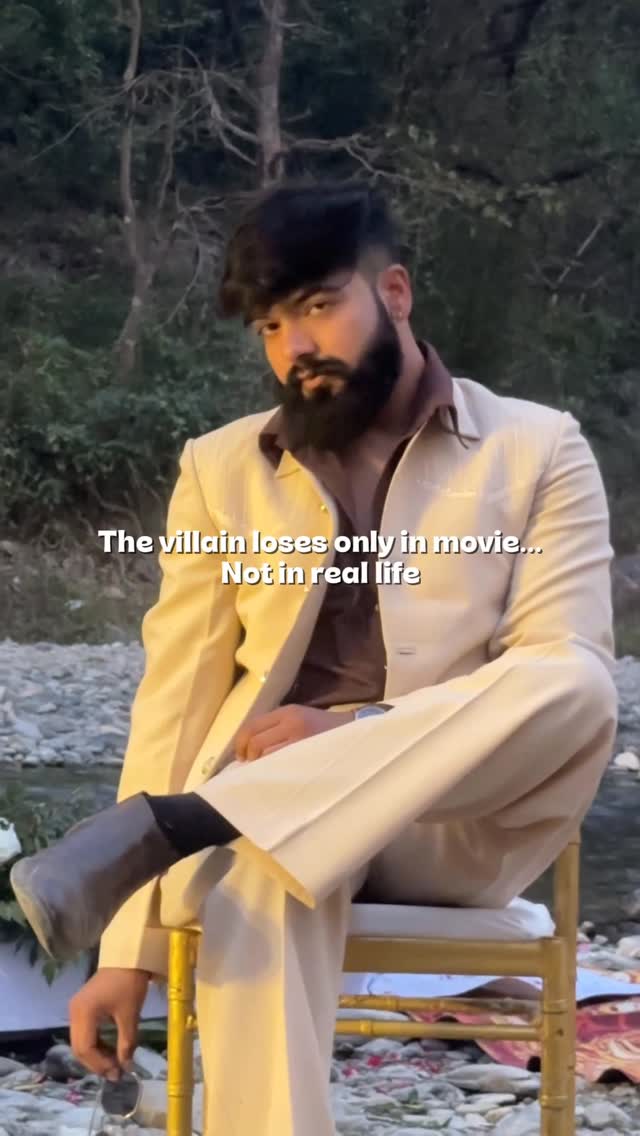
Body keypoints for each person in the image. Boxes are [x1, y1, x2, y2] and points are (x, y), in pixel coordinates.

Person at [11, 180, 618, 1136]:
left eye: (320, 307)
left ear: (396, 293)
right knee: (259, 879)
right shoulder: (221, 469)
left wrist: (345, 732)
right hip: (272, 829)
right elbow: (177, 701)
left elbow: (555, 668)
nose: (295, 346)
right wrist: (126, 951)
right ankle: (212, 824)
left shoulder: (537, 449)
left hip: (454, 828)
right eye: (270, 326)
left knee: (577, 678)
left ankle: (199, 818)